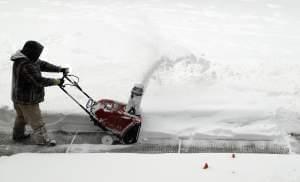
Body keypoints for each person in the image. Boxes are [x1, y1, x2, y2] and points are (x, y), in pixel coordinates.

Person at [10, 40, 69, 146]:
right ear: (31, 52)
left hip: (18, 96)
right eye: (37, 53)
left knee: (21, 117)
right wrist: (56, 81)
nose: (38, 55)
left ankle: (18, 135)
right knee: (37, 121)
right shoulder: (25, 65)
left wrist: (59, 69)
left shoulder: (28, 58)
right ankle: (43, 141)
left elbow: (43, 65)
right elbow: (38, 81)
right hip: (27, 99)